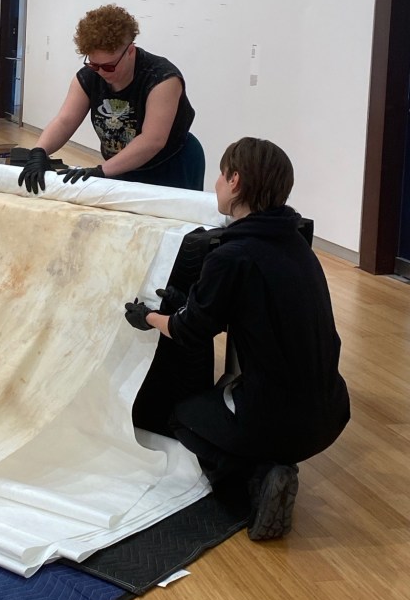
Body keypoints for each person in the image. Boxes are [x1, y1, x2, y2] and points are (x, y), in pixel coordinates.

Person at [124, 138, 350, 541]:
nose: (215, 185)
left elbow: (189, 333)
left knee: (183, 416)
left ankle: (256, 480)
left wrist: (148, 317)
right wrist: (186, 302)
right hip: (331, 411)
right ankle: (269, 463)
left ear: (235, 181)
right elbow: (251, 312)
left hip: (277, 417)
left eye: (220, 175)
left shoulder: (232, 255)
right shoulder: (296, 244)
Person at [19, 4, 204, 193]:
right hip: (121, 164)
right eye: (94, 65)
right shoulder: (89, 77)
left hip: (171, 166)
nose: (101, 72)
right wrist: (39, 152)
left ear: (130, 51)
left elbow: (152, 140)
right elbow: (65, 121)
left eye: (108, 66)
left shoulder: (162, 79)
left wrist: (102, 171)